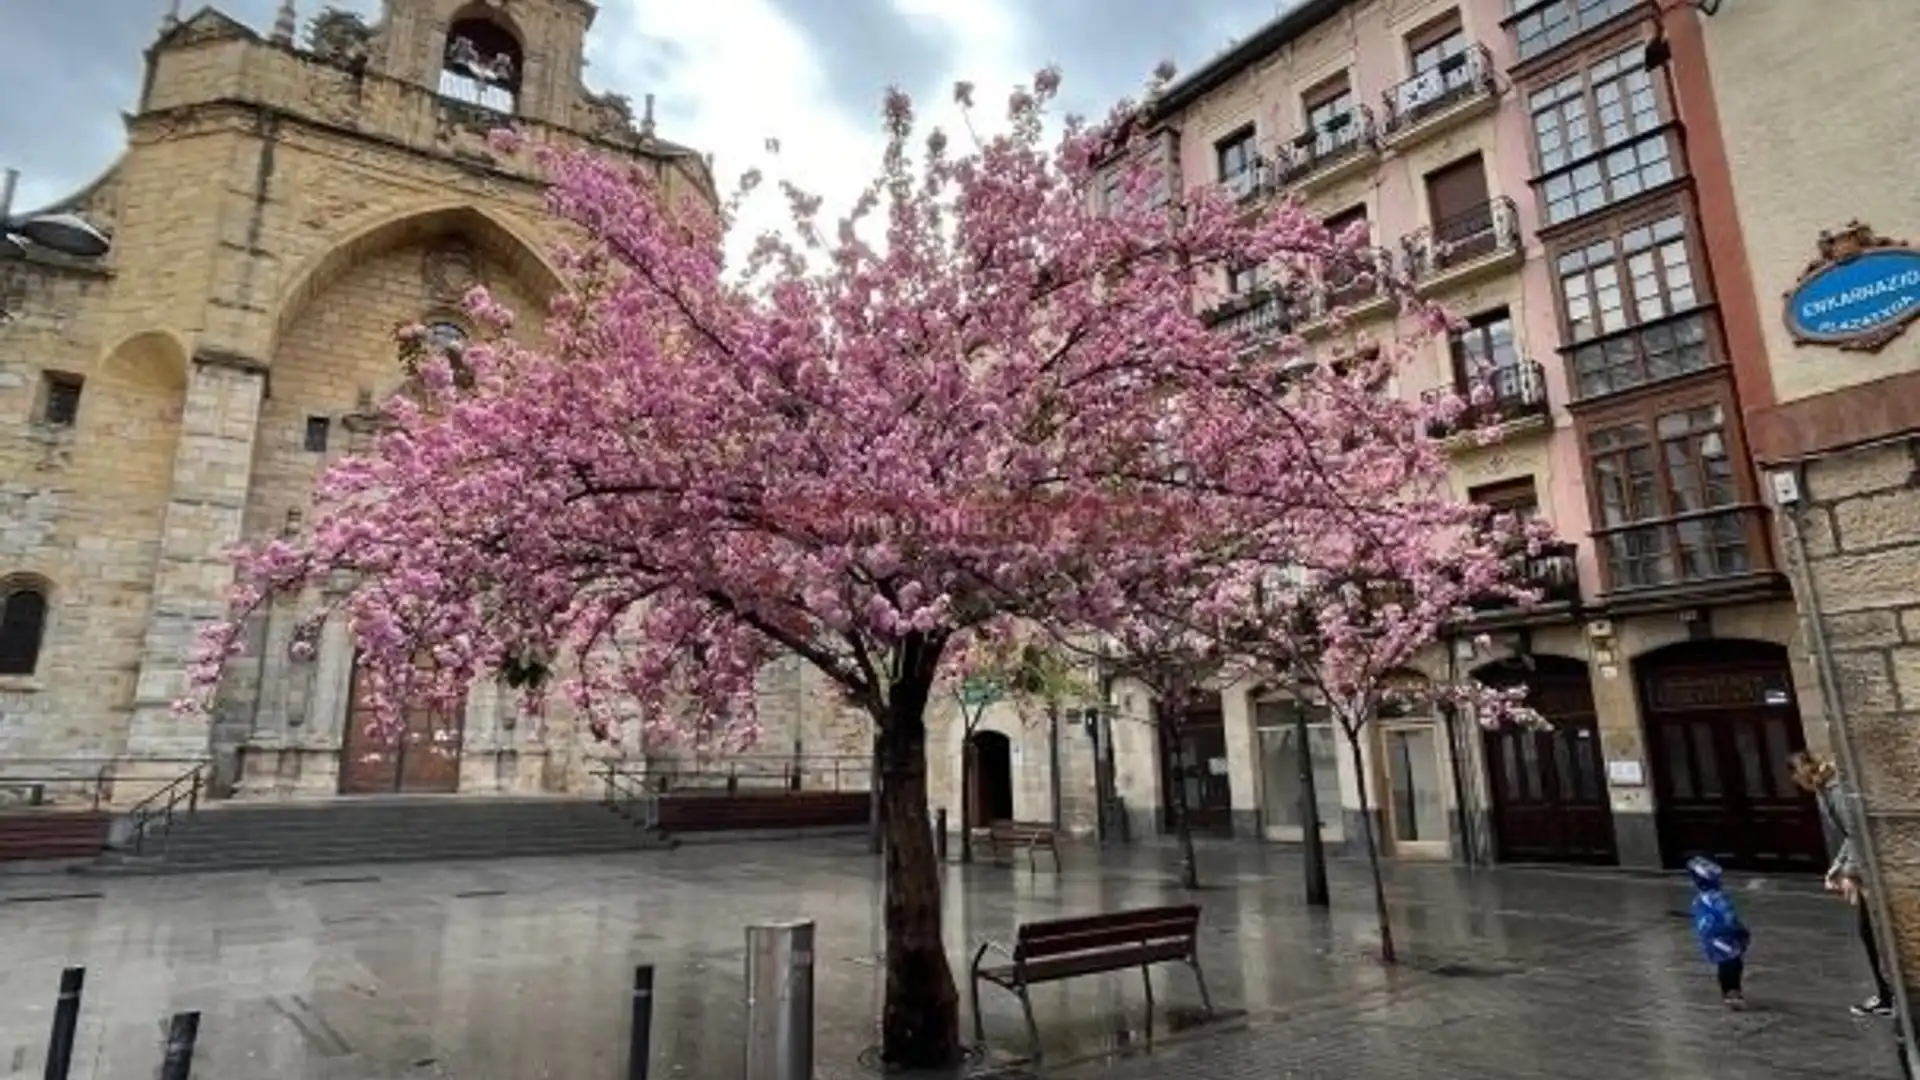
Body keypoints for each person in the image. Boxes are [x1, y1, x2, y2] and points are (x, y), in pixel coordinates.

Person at [1791, 751, 1896, 1017]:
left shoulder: (1834, 790)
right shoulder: (1826, 788)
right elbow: (1851, 835)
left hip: (1874, 870)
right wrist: (1838, 866)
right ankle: (1888, 994)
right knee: (1871, 932)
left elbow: (1858, 831)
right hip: (1865, 866)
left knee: (1872, 932)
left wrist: (1849, 871)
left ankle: (1889, 996)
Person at [1688, 855, 1752, 1010]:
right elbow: (1729, 918)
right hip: (1720, 936)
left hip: (1714, 937)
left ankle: (1731, 991)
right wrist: (1740, 931)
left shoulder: (1700, 900)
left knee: (1729, 961)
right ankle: (1731, 992)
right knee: (1730, 961)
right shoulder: (1715, 898)